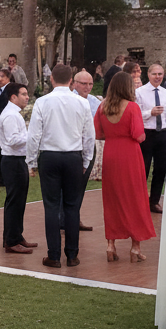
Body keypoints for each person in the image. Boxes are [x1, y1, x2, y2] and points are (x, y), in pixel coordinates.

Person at [26, 64, 96, 268]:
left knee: (51, 206)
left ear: (52, 79)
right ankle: (72, 255)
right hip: (73, 156)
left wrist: (31, 161)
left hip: (50, 156)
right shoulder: (81, 103)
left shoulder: (43, 102)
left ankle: (54, 255)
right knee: (72, 207)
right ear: (71, 80)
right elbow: (88, 135)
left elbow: (34, 135)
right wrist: (86, 159)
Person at [94, 72, 155, 262]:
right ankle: (135, 247)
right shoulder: (132, 107)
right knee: (135, 198)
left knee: (112, 199)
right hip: (130, 155)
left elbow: (98, 133)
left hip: (111, 154)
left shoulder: (102, 107)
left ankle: (110, 245)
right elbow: (138, 135)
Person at [0, 83, 35, 254]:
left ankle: (16, 236)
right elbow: (12, 140)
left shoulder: (13, 114)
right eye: (24, 94)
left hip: (17, 160)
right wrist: (32, 136)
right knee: (15, 201)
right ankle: (11, 241)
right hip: (13, 161)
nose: (27, 97)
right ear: (13, 97)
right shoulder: (11, 115)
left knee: (19, 201)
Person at [135, 63, 166, 212]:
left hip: (162, 133)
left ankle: (154, 201)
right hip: (147, 133)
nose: (157, 77)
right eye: (154, 74)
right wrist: (149, 113)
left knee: (161, 168)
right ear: (149, 75)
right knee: (143, 168)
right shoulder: (140, 92)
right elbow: (136, 114)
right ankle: (139, 201)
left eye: (160, 74)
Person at [71, 70, 101, 231]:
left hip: (89, 146)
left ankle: (74, 217)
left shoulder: (94, 101)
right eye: (83, 83)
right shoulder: (69, 100)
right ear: (74, 83)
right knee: (69, 185)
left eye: (90, 84)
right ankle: (65, 218)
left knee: (81, 185)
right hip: (72, 148)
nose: (87, 87)